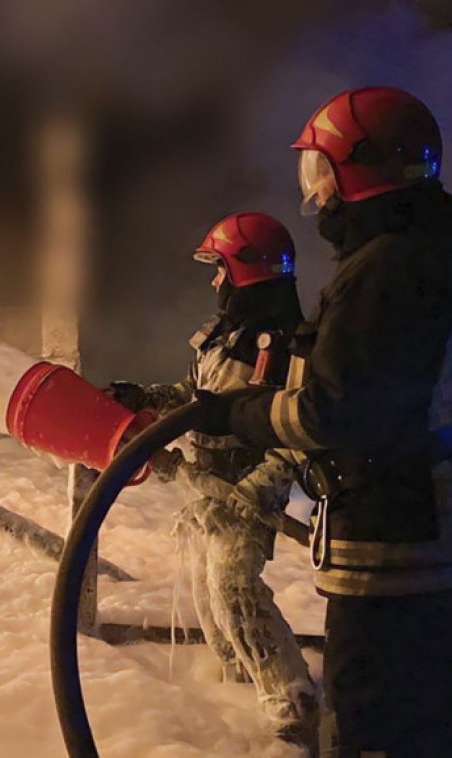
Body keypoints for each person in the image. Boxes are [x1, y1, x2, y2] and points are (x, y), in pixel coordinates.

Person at [195, 87, 452, 757]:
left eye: (323, 172)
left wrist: (238, 414)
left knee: (370, 727)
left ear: (362, 171)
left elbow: (331, 413)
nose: (318, 194)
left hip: (393, 547)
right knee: (447, 722)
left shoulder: (379, 273)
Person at [112, 212, 318, 747]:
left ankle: (292, 698)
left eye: (219, 269)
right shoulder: (222, 336)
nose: (214, 281)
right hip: (207, 487)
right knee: (209, 594)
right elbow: (195, 395)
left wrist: (254, 492)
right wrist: (148, 397)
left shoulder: (288, 347)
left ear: (245, 271)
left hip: (247, 488)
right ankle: (236, 683)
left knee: (235, 586)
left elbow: (296, 434)